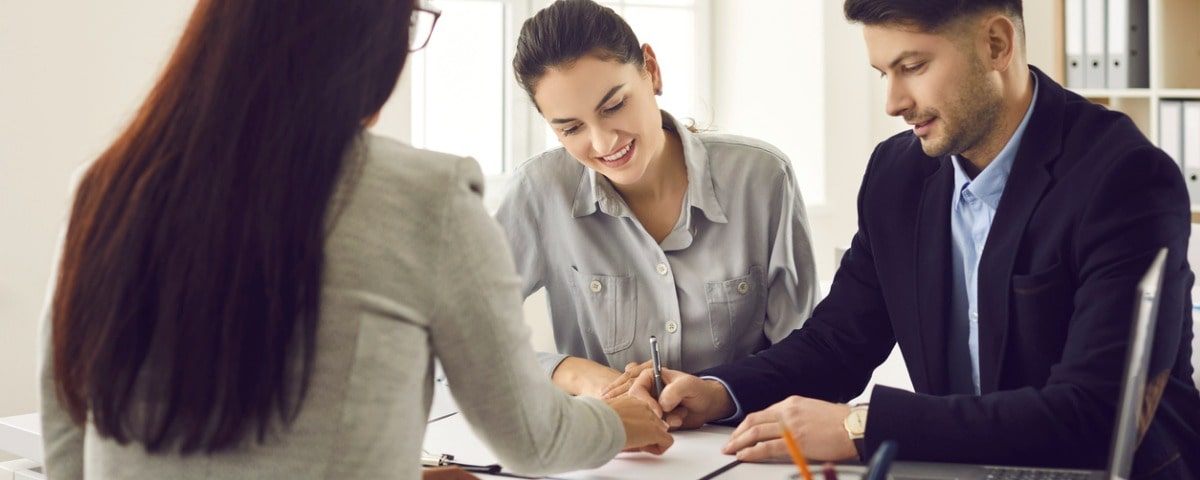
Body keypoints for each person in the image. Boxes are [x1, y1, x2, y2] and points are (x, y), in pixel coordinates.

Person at [37, 0, 673, 479]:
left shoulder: (106, 184)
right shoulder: (428, 196)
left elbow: (66, 437)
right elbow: (529, 439)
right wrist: (615, 422)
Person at [630, 0, 1200, 477]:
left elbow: (1096, 413)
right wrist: (715, 389)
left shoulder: (1124, 178)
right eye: (884, 74)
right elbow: (838, 344)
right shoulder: (898, 174)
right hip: (955, 468)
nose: (893, 103)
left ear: (997, 45)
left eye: (913, 66)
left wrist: (862, 426)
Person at [496, 0, 819, 399]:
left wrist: (720, 395)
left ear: (651, 69)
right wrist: (575, 374)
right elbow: (455, 338)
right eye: (571, 128)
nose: (603, 142)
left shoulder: (762, 178)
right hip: (609, 450)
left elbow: (807, 356)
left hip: (743, 445)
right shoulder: (539, 191)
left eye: (614, 105)